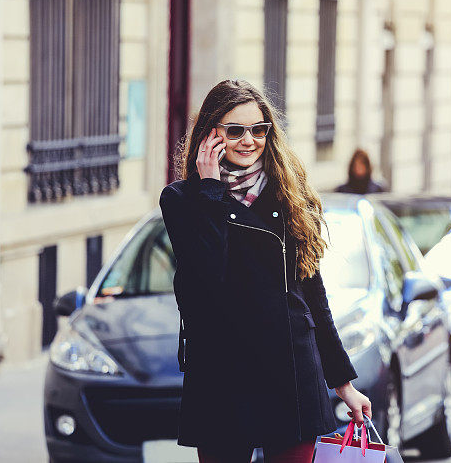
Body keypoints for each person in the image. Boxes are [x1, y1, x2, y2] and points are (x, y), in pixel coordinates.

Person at [159, 80, 371, 463]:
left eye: (259, 129)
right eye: (235, 130)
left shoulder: (288, 191)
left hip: (290, 372)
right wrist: (210, 190)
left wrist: (343, 384)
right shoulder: (182, 199)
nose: (248, 140)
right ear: (211, 134)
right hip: (222, 376)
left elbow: (312, 292)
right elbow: (204, 278)